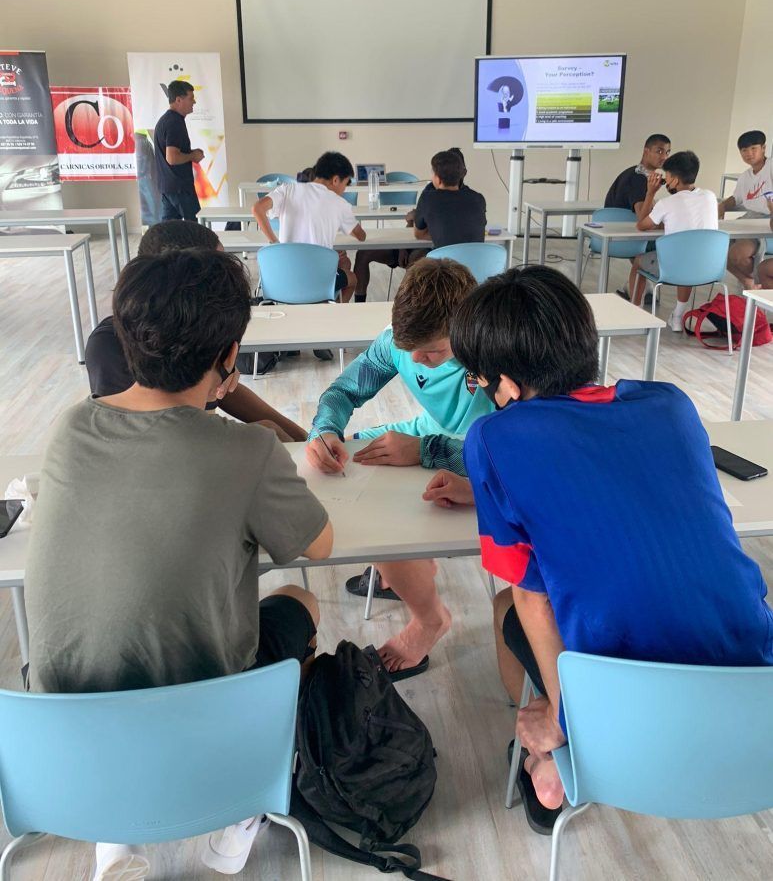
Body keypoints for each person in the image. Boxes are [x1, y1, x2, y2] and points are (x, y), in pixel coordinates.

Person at [428, 264, 773, 833]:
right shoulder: (672, 403)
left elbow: (530, 598)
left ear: (506, 385)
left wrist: (565, 718)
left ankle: (550, 762)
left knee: (503, 611)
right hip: (751, 684)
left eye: (477, 382)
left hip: (624, 704)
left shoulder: (492, 438)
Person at [26, 248, 333, 879]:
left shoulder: (70, 426)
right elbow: (321, 546)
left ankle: (114, 837)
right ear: (229, 354)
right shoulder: (246, 451)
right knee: (301, 603)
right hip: (198, 731)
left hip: (65, 738)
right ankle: (240, 815)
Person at [306, 257, 493, 679]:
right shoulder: (398, 342)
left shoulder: (496, 347)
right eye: (412, 352)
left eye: (436, 352)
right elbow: (344, 390)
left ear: (467, 328)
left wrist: (425, 450)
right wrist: (325, 429)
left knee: (383, 520)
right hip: (431, 434)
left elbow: (518, 454)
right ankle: (408, 569)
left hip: (481, 450)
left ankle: (430, 618)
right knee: (354, 464)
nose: (421, 361)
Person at [84, 220, 306, 441]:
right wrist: (255, 436)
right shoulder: (109, 346)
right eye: (217, 274)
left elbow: (222, 390)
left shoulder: (201, 326)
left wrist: (305, 437)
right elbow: (141, 437)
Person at [352, 148, 482, 301]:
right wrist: (403, 246)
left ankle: (406, 305)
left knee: (416, 259)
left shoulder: (461, 197)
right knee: (365, 253)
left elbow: (422, 231)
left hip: (437, 257)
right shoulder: (437, 193)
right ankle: (362, 302)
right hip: (431, 251)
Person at [251, 151, 366, 304]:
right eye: (345, 184)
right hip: (318, 281)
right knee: (352, 278)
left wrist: (275, 243)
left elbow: (257, 208)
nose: (344, 190)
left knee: (342, 263)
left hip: (283, 279)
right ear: (336, 180)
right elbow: (360, 236)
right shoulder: (340, 204)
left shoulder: (287, 189)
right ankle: (331, 312)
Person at [635, 150, 718, 331]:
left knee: (638, 262)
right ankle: (678, 317)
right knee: (688, 258)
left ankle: (635, 312)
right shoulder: (710, 197)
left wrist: (650, 193)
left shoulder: (667, 203)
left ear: (674, 179)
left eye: (667, 176)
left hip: (675, 268)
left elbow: (641, 225)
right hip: (709, 266)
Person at [604, 134, 671, 300]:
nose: (664, 156)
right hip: (625, 238)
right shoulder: (638, 179)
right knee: (671, 241)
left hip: (618, 234)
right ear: (646, 151)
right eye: (659, 151)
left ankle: (638, 287)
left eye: (667, 152)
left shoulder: (639, 174)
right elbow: (643, 218)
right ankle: (641, 290)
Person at [718, 130, 773, 290]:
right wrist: (722, 205)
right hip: (749, 219)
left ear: (763, 148)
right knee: (718, 249)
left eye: (753, 148)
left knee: (737, 255)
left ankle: (758, 283)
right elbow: (736, 199)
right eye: (744, 150)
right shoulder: (745, 176)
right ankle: (750, 282)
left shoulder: (770, 166)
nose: (749, 153)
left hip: (767, 221)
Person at [413, 149, 486, 249]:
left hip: (445, 263)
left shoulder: (428, 199)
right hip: (477, 263)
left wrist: (443, 235)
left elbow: (419, 235)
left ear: (438, 179)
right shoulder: (478, 199)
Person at [153, 80, 204, 221]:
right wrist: (193, 155)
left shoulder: (166, 120)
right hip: (180, 187)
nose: (194, 102)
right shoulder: (174, 122)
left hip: (168, 186)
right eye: (191, 98)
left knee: (170, 233)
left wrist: (191, 153)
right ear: (178, 100)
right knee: (195, 230)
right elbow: (172, 158)